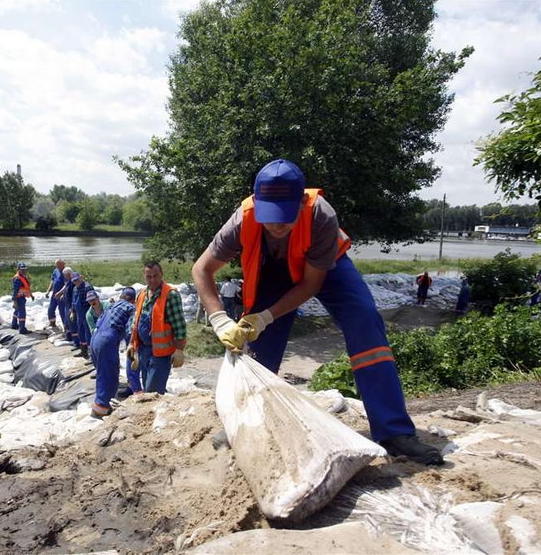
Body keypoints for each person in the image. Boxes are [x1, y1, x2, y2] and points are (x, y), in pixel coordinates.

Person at [191, 158, 443, 465]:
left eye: (286, 216)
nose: (277, 225)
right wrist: (220, 320)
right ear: (257, 203)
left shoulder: (322, 216)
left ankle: (394, 432)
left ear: (301, 203)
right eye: (270, 215)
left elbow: (310, 285)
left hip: (326, 268)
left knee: (365, 322)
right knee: (259, 352)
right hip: (273, 271)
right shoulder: (243, 219)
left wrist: (266, 315)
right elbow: (201, 270)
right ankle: (242, 426)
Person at [128, 261, 187, 394]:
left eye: (156, 276)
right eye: (149, 277)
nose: (153, 280)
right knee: (147, 388)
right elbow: (135, 323)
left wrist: (179, 350)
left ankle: (155, 412)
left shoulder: (170, 295)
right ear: (144, 276)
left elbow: (179, 325)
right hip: (144, 351)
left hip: (160, 354)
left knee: (152, 392)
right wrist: (132, 344)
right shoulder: (142, 294)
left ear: (161, 274)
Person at [90, 289, 137, 417]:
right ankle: (101, 406)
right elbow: (130, 330)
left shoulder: (112, 306)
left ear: (121, 296)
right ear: (133, 300)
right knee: (109, 373)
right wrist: (132, 346)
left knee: (102, 372)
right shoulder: (130, 308)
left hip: (94, 340)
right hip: (107, 340)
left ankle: (102, 403)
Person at [70, 273, 95, 358]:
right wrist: (73, 311)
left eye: (77, 280)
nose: (76, 282)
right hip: (79, 314)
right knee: (80, 332)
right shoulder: (75, 289)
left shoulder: (87, 287)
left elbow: (93, 301)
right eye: (74, 281)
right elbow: (73, 301)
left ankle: (92, 354)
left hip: (87, 313)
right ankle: (83, 351)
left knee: (88, 334)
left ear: (81, 277)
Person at [45, 259, 66, 330]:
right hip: (54, 293)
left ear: (63, 264)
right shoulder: (55, 271)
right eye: (57, 265)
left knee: (62, 311)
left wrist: (60, 293)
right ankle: (52, 324)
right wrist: (48, 290)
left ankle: (66, 328)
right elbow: (53, 280)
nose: (58, 266)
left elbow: (66, 285)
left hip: (62, 295)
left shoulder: (66, 272)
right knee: (51, 309)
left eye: (59, 265)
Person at [11, 262, 32, 333]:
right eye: (22, 269)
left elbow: (26, 287)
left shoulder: (22, 276)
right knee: (22, 313)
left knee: (17, 311)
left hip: (21, 297)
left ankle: (14, 324)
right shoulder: (18, 278)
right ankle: (22, 329)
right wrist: (14, 301)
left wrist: (31, 295)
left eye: (24, 269)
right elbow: (15, 290)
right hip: (19, 298)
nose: (23, 271)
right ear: (18, 269)